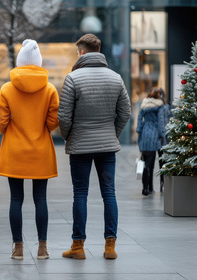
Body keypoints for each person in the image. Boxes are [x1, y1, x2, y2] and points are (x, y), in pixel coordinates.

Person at [58, 34, 131, 260]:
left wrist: (69, 136)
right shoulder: (116, 78)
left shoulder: (73, 78)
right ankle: (110, 246)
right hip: (107, 146)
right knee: (109, 193)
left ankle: (78, 247)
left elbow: (64, 116)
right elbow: (126, 112)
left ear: (81, 52)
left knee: (80, 193)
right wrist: (112, 134)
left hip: (80, 145)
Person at [0, 39, 59, 260]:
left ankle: (18, 248)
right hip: (41, 151)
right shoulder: (50, 89)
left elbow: (0, 123)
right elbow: (53, 123)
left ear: (20, 62)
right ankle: (42, 248)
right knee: (40, 199)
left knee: (16, 200)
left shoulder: (6, 88)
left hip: (14, 151)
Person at [136, 88, 167, 195]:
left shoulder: (143, 105)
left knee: (145, 162)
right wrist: (163, 136)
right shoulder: (159, 106)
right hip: (154, 135)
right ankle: (149, 188)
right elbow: (161, 123)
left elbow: (139, 120)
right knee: (151, 163)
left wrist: (139, 132)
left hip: (144, 133)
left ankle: (146, 188)